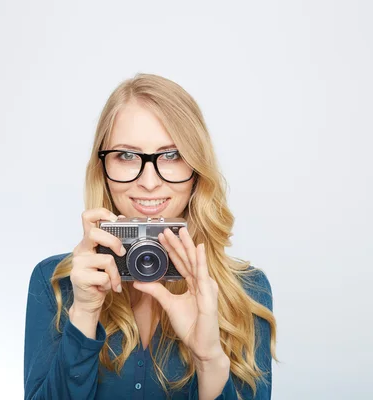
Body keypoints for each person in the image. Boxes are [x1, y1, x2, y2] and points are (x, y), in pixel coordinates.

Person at [23, 73, 277, 400]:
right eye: (127, 156)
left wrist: (209, 359)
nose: (148, 181)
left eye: (171, 155)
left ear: (197, 169)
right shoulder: (56, 283)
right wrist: (84, 314)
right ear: (103, 167)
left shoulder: (246, 291)